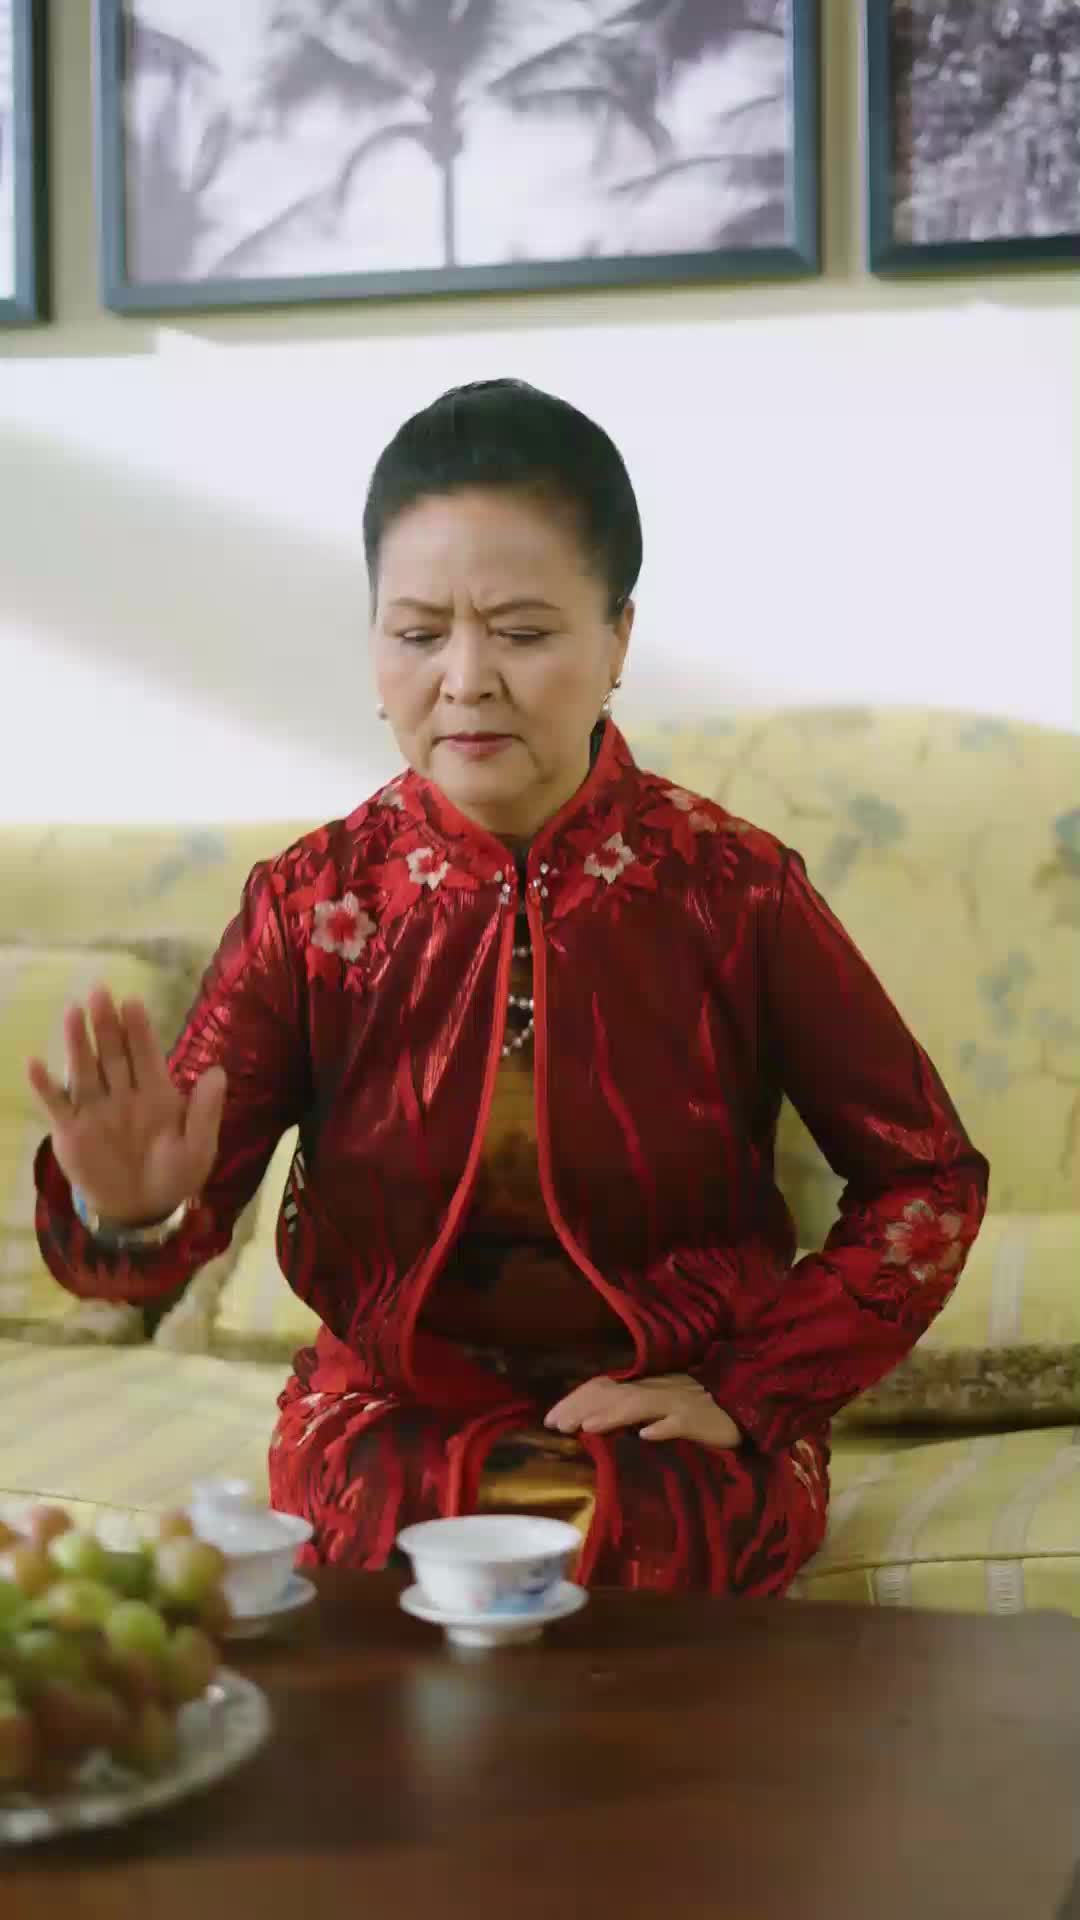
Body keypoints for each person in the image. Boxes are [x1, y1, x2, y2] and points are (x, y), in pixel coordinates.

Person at [29, 381, 989, 1595]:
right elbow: (164, 1220)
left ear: (619, 641)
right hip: (392, 1418)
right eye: (418, 633)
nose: (467, 679)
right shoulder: (312, 907)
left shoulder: (731, 889)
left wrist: (749, 1389)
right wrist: (128, 1213)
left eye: (523, 633)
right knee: (392, 1532)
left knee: (653, 1537)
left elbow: (926, 1177)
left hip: (675, 1426)